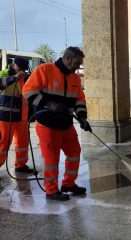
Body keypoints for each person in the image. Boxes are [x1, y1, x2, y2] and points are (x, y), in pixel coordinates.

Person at [23, 47, 91, 201]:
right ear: (67, 58)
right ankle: (51, 191)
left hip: (66, 123)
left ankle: (68, 184)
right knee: (51, 160)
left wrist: (82, 117)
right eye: (76, 63)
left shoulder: (75, 78)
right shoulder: (45, 70)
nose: (78, 66)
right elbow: (28, 90)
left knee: (74, 153)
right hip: (48, 123)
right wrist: (49, 103)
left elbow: (80, 99)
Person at [0, 57, 34, 174]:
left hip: (22, 117)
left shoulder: (26, 77)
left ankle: (21, 165)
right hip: (6, 116)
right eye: (20, 68)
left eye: (24, 69)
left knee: (22, 143)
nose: (22, 71)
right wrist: (14, 78)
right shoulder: (5, 73)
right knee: (3, 143)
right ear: (14, 65)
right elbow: (1, 84)